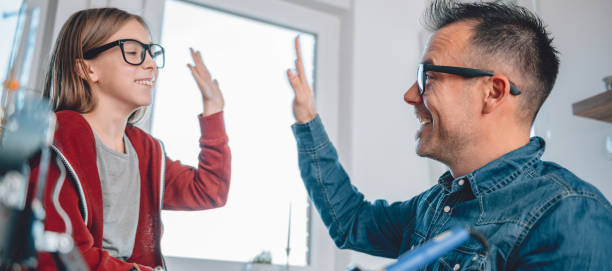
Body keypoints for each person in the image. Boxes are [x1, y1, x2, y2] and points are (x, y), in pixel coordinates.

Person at [286, 0, 612, 270]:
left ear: (493, 92)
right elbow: (352, 222)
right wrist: (307, 121)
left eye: (427, 76)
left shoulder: (569, 217)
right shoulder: (431, 207)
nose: (410, 95)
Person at [32, 7, 231, 270]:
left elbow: (210, 190)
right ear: (87, 69)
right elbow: (62, 254)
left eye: (151, 53)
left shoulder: (146, 150)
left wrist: (213, 109)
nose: (150, 64)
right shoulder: (57, 139)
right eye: (134, 52)